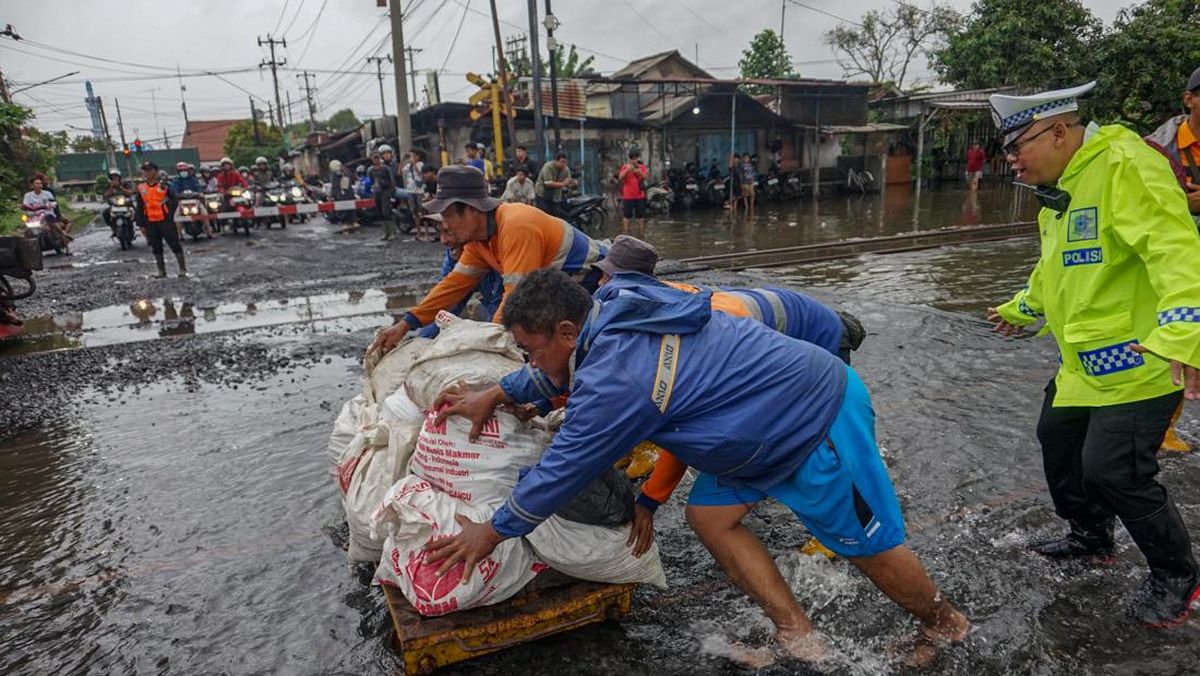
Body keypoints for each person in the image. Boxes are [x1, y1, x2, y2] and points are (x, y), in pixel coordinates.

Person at [424, 269, 969, 663]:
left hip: (814, 419)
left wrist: (493, 532)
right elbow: (560, 374)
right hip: (755, 433)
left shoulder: (619, 377)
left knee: (866, 547)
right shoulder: (615, 304)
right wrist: (500, 390)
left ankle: (946, 625)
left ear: (568, 331)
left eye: (529, 349)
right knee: (710, 517)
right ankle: (795, 632)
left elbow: (564, 466)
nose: (528, 361)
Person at [987, 82, 1200, 626]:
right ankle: (1090, 538)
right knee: (1058, 446)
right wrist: (1022, 307)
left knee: (1114, 472)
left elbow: (1175, 248)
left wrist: (1186, 335)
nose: (1011, 161)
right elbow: (1058, 267)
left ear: (1060, 130)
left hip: (1141, 360)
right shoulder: (1060, 188)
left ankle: (1177, 577)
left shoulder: (1126, 164)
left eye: (1018, 147)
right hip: (1083, 363)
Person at [368, 166, 607, 353]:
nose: (446, 225)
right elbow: (451, 288)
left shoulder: (516, 225)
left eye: (449, 215)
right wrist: (406, 324)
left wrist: (488, 345)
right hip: (562, 291)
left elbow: (516, 300)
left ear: (472, 210)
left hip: (597, 285)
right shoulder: (478, 242)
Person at [1144, 67, 1200, 454]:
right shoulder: (1156, 149)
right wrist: (1183, 202)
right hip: (1173, 264)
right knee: (1175, 340)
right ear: (1189, 98)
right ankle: (1161, 428)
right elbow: (1139, 207)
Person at [417, 213, 504, 339]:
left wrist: (491, 339)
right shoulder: (454, 253)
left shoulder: (495, 254)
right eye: (440, 233)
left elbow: (500, 309)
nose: (443, 240)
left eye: (449, 232)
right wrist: (421, 340)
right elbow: (447, 301)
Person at [134, 161, 186, 278]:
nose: (147, 173)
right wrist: (141, 224)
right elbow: (139, 206)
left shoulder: (164, 186)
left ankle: (182, 268)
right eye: (145, 170)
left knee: (174, 243)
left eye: (149, 170)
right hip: (150, 221)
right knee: (155, 246)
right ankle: (161, 271)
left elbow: (174, 200)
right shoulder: (141, 187)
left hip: (165, 220)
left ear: (156, 172)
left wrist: (170, 213)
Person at [21, 176, 71, 253]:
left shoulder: (47, 193)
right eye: (37, 183)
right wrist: (28, 208)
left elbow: (53, 203)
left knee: (59, 230)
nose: (39, 185)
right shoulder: (27, 195)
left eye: (40, 183)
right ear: (32, 185)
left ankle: (67, 248)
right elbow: (24, 205)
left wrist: (45, 207)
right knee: (26, 231)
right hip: (33, 217)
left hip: (47, 216)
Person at [171, 162, 212, 238]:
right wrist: (177, 194)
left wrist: (199, 193)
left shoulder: (193, 179)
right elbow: (174, 190)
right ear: (178, 172)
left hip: (195, 201)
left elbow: (198, 187)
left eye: (185, 170)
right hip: (182, 203)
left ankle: (209, 232)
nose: (183, 172)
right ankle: (179, 235)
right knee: (176, 216)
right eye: (181, 171)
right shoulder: (176, 180)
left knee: (204, 213)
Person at [368, 151, 397, 241]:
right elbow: (370, 181)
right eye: (374, 158)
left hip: (386, 192)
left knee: (387, 212)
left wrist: (391, 192)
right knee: (380, 213)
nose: (376, 160)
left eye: (377, 157)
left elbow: (391, 181)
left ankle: (392, 232)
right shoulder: (370, 170)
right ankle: (386, 233)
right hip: (377, 193)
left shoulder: (385, 169)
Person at [618, 150, 648, 235]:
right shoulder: (625, 167)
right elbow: (620, 177)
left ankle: (641, 231)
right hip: (628, 195)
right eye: (632, 159)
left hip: (639, 195)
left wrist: (639, 172)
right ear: (629, 159)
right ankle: (626, 231)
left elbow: (645, 177)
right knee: (627, 214)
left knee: (640, 215)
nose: (634, 161)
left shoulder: (641, 167)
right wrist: (627, 170)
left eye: (635, 159)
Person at [535, 153, 575, 217]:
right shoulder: (548, 166)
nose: (563, 164)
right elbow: (548, 183)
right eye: (562, 162)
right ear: (555, 161)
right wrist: (563, 184)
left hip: (556, 195)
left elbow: (568, 181)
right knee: (545, 213)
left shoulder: (566, 169)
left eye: (565, 162)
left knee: (556, 214)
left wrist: (572, 183)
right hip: (542, 194)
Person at [102, 169, 133, 235]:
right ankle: (113, 227)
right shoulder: (108, 185)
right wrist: (111, 187)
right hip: (114, 205)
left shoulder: (125, 183)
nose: (114, 178)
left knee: (136, 211)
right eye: (112, 176)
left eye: (116, 176)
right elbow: (105, 196)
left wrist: (120, 187)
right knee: (105, 213)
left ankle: (142, 228)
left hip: (126, 204)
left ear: (119, 176)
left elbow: (130, 193)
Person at [327, 159, 354, 226]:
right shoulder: (346, 172)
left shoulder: (336, 175)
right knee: (349, 209)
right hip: (348, 195)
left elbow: (334, 187)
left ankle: (346, 223)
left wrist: (332, 195)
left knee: (342, 210)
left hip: (342, 196)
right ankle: (351, 223)